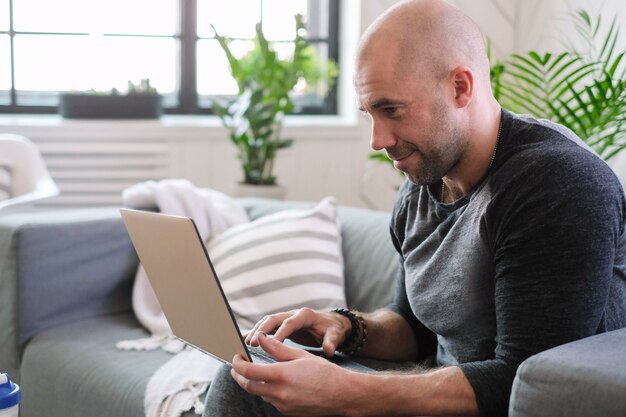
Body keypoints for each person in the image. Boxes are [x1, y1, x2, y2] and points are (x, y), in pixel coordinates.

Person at [203, 0, 626, 416]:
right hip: (439, 389)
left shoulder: (555, 183)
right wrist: (346, 326)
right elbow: (415, 328)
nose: (378, 139)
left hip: (505, 402)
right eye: (369, 113)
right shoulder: (423, 180)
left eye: (391, 110)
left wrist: (346, 391)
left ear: (460, 87)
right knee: (248, 378)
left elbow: (526, 382)